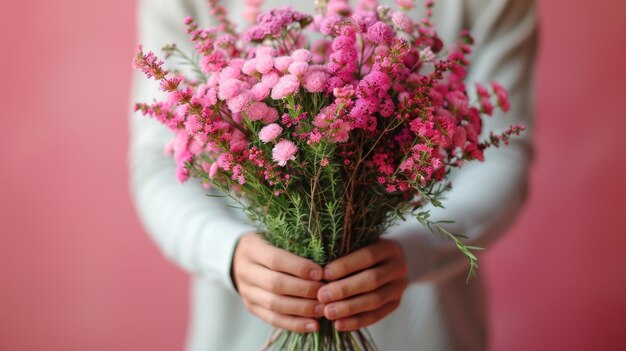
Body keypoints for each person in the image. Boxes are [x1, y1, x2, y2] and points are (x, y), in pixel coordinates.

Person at [128, 0, 537, 350]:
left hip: (424, 329)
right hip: (242, 333)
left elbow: (502, 155)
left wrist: (414, 251)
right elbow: (160, 159)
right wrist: (227, 253)